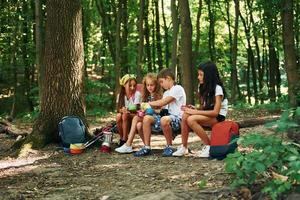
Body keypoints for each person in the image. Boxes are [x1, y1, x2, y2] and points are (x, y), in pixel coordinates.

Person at [172, 61, 228, 158]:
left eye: (201, 75)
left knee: (191, 119)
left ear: (209, 76)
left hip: (218, 117)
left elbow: (215, 113)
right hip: (207, 114)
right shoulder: (202, 87)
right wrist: (195, 108)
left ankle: (209, 146)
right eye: (198, 74)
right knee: (185, 115)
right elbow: (204, 107)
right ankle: (184, 147)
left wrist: (195, 112)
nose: (198, 77)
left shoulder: (218, 89)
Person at [134, 68, 186, 157]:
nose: (161, 85)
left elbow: (164, 102)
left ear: (168, 78)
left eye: (162, 82)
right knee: (147, 118)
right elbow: (163, 110)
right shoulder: (166, 93)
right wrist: (150, 110)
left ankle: (169, 146)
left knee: (164, 120)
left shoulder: (178, 88)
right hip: (167, 117)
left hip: (178, 119)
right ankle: (147, 147)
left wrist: (148, 104)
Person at [115, 73, 162, 153]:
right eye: (147, 85)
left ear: (156, 85)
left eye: (152, 85)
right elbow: (142, 107)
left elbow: (161, 111)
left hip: (156, 118)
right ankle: (146, 146)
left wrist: (150, 109)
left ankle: (128, 144)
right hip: (146, 118)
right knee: (138, 124)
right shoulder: (146, 95)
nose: (149, 87)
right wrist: (143, 110)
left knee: (136, 118)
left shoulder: (159, 95)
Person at [116, 74, 141, 147]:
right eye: (130, 85)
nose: (132, 88)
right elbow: (118, 109)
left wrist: (127, 109)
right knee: (118, 116)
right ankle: (122, 138)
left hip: (134, 116)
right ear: (124, 85)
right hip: (125, 115)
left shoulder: (137, 94)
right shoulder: (120, 95)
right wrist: (122, 110)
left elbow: (136, 108)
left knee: (125, 115)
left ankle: (124, 139)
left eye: (134, 85)